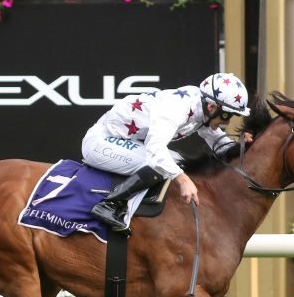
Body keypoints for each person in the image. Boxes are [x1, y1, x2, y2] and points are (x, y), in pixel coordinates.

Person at [81, 72, 251, 231]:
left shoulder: (202, 107)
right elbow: (155, 150)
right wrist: (182, 180)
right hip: (100, 142)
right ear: (212, 107)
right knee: (160, 163)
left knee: (175, 161)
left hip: (125, 141)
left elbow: (218, 143)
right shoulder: (177, 108)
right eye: (226, 115)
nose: (227, 123)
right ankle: (109, 205)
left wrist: (242, 146)